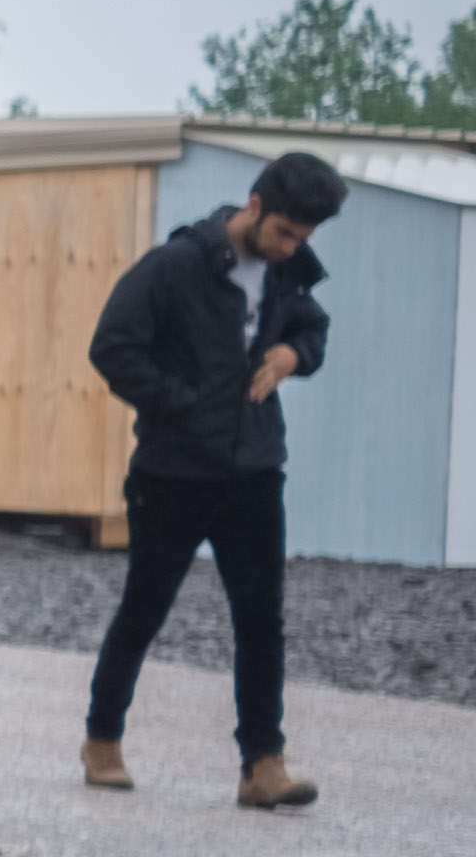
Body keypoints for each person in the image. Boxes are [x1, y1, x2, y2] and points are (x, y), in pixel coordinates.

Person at [80, 150, 345, 807]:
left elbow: (314, 331)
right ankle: (102, 740)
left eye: (303, 239)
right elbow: (112, 346)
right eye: (284, 233)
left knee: (261, 619)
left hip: (255, 470)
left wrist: (292, 355)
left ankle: (263, 764)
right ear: (255, 207)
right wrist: (180, 401)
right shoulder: (177, 266)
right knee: (145, 606)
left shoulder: (290, 275)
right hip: (174, 473)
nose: (290, 248)